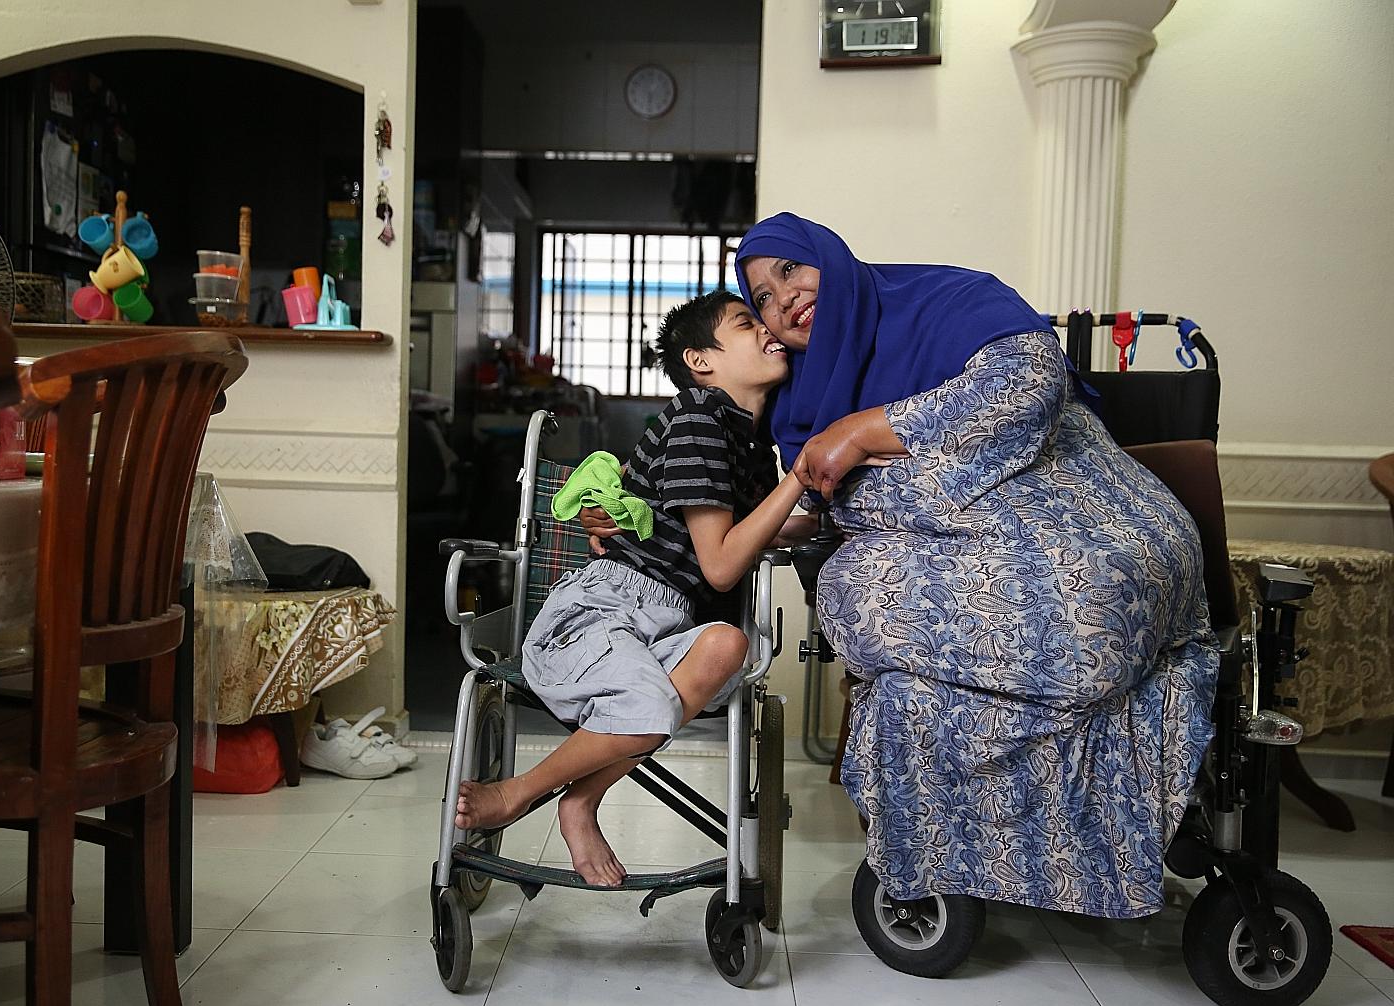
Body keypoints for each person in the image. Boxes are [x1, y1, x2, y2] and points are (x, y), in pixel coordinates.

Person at [730, 212, 1219, 918]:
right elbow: (838, 503)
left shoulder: (943, 297)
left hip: (1096, 542)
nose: (784, 301)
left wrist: (864, 430)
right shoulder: (800, 398)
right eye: (763, 301)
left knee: (871, 594)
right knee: (870, 633)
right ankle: (972, 863)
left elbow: (1025, 385)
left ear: (830, 259)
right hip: (987, 577)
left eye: (789, 272)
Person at [454, 290, 808, 887]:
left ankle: (579, 800)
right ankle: (523, 795)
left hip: (667, 622)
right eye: (748, 322)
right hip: (607, 610)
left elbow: (750, 530)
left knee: (727, 646)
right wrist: (803, 477)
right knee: (650, 704)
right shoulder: (701, 418)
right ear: (701, 360)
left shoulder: (748, 444)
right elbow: (722, 565)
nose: (769, 329)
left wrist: (829, 509)